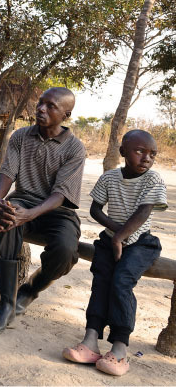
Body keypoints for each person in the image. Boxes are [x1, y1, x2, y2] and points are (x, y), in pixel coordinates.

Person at [63, 129, 167, 376]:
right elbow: (95, 210)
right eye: (139, 151)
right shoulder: (109, 178)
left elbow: (143, 213)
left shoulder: (153, 180)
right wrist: (116, 234)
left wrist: (122, 236)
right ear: (122, 152)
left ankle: (120, 348)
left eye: (152, 154)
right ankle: (90, 341)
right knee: (101, 281)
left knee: (121, 282)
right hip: (110, 240)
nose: (146, 158)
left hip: (141, 243)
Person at [0, 87, 86, 334]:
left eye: (50, 106)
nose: (41, 109)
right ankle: (6, 304)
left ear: (66, 114)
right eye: (41, 103)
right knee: (6, 220)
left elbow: (61, 194)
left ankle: (31, 288)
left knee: (65, 249)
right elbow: (8, 172)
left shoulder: (74, 148)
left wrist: (31, 214)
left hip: (57, 209)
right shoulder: (21, 136)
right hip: (24, 200)